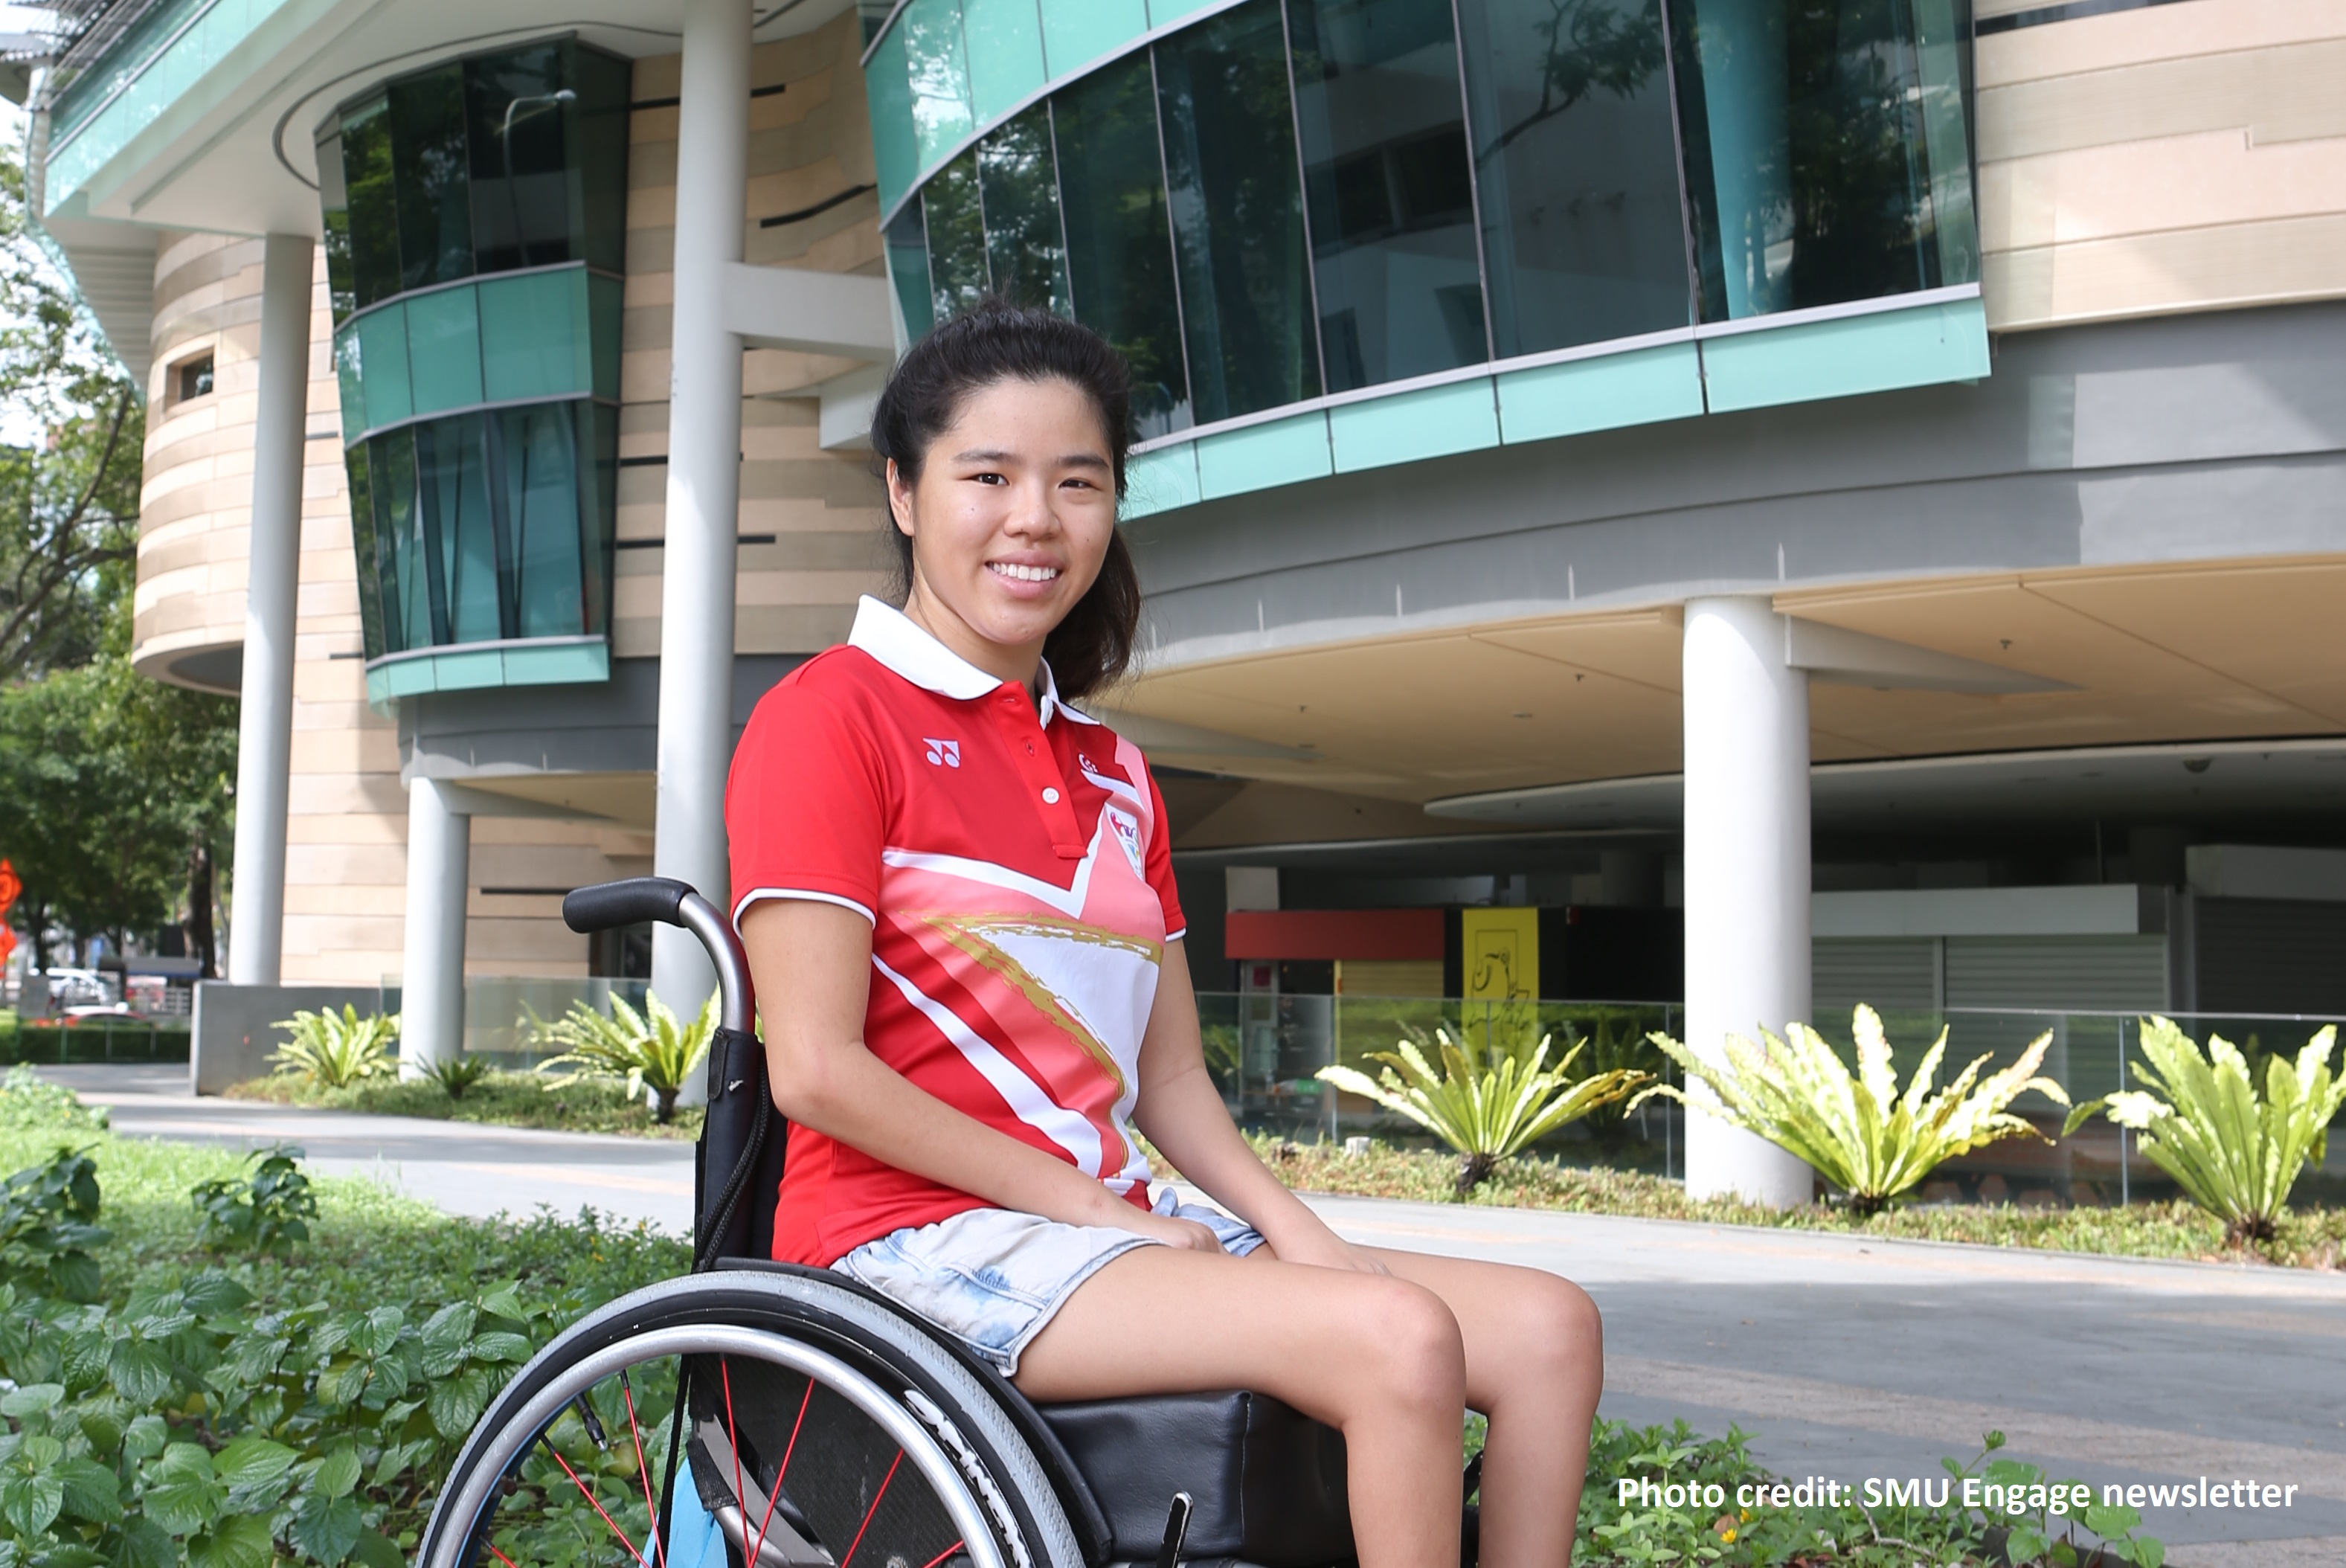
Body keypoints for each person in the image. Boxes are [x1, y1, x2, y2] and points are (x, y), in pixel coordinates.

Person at [725, 301, 1602, 1568]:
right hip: (906, 1242)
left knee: (1545, 1328)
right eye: (988, 476)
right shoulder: (829, 719)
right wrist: (1093, 1209)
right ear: (904, 494)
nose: (1036, 518)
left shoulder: (1114, 773)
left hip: (1102, 1229)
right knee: (1399, 1341)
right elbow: (812, 1068)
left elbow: (1171, 1078)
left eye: (1076, 483)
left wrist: (1303, 1234)